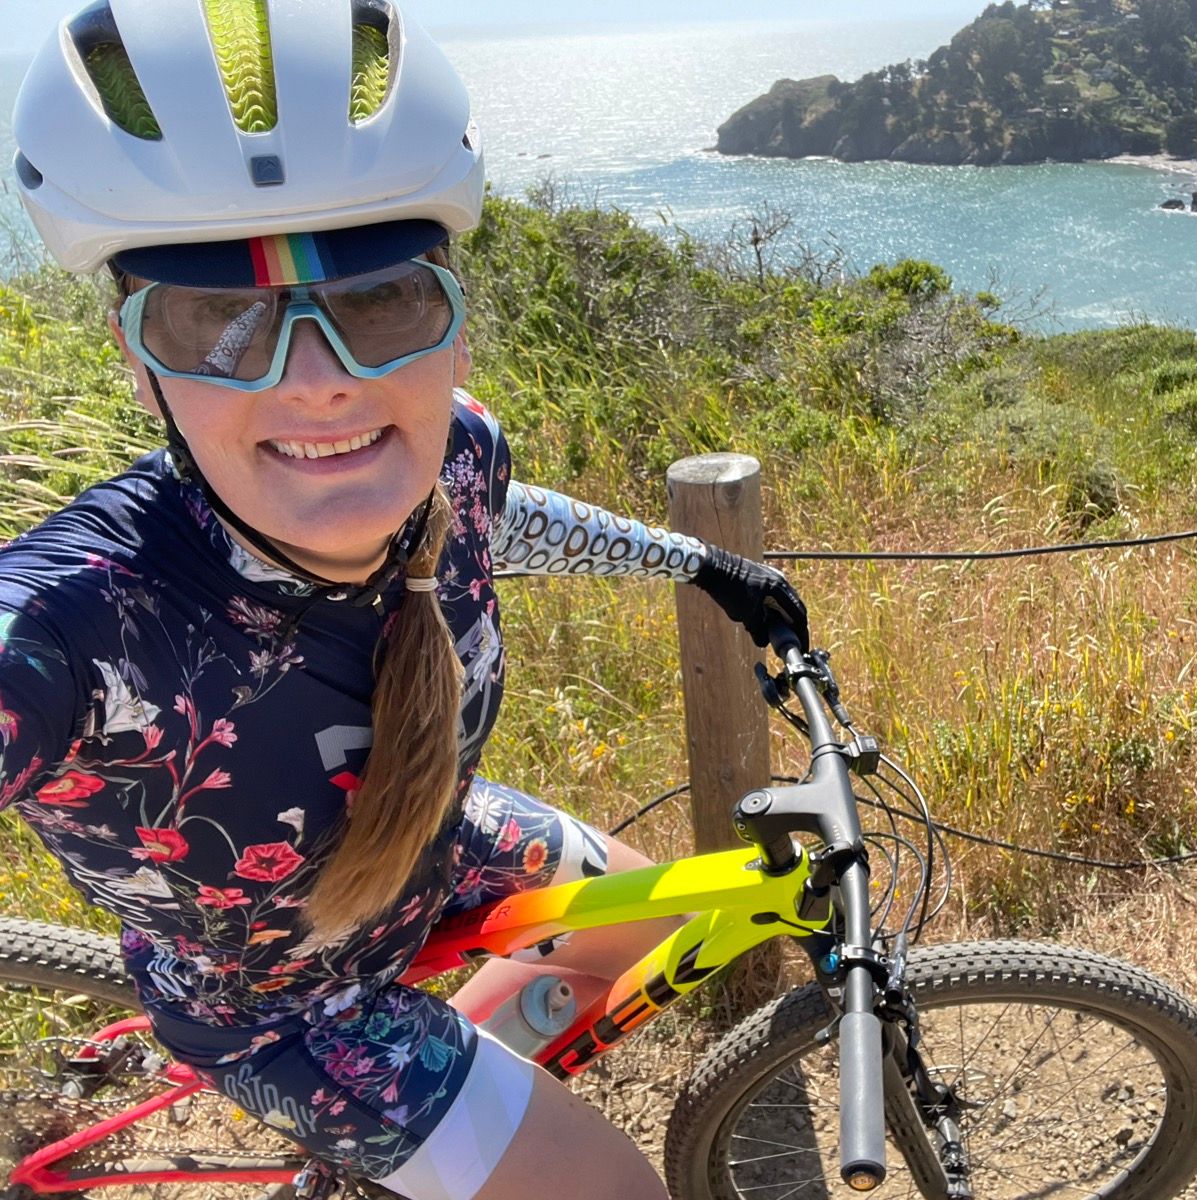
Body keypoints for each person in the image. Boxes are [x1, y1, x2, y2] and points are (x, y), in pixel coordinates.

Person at [0, 2, 806, 1197]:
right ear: (136, 355)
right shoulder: (74, 624)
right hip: (283, 1005)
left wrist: (702, 564)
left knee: (661, 918)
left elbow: (506, 521)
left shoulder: (459, 456)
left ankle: (431, 1128)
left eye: (381, 301)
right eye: (219, 318)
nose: (319, 384)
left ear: (456, 324)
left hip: (440, 836)